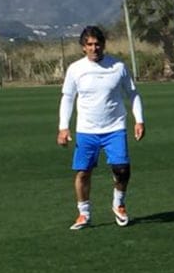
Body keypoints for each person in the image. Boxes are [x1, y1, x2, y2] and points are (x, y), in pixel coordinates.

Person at [57, 25, 145, 230]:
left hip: (115, 127)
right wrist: (63, 127)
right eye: (89, 44)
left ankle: (119, 204)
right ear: (83, 47)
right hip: (86, 130)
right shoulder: (75, 69)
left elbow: (132, 94)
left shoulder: (118, 67)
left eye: (98, 44)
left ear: (103, 45)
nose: (94, 48)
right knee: (83, 172)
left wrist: (139, 120)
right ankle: (84, 213)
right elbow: (68, 98)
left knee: (122, 170)